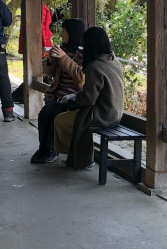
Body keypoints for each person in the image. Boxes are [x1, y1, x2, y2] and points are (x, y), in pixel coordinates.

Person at [52, 27, 125, 170]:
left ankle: (79, 157)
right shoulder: (113, 60)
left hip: (103, 114)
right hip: (116, 112)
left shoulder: (95, 66)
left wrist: (72, 98)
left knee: (61, 120)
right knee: (67, 115)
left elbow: (88, 99)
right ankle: (80, 156)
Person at [30, 18, 87, 164]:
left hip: (73, 97)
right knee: (44, 113)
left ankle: (52, 150)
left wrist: (64, 58)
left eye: (64, 30)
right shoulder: (63, 48)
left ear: (72, 33)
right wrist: (50, 61)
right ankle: (44, 148)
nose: (62, 34)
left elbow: (81, 78)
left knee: (56, 114)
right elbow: (50, 73)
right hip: (57, 94)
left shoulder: (83, 53)